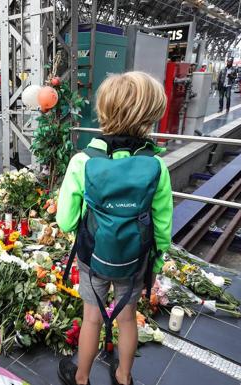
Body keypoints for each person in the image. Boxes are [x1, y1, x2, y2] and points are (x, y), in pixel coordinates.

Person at [56, 72, 172, 385]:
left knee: (91, 318)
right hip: (135, 261)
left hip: (93, 256)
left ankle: (81, 377)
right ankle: (123, 376)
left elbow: (65, 220)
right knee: (127, 317)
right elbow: (162, 226)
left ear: (104, 110)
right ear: (149, 116)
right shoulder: (157, 166)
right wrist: (155, 262)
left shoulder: (83, 161)